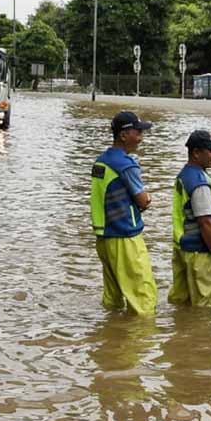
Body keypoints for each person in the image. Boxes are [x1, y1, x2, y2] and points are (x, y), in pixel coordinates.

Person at [90, 111, 158, 315]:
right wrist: (148, 199)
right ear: (123, 135)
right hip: (125, 237)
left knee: (113, 298)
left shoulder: (101, 161)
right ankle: (141, 342)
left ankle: (111, 337)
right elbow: (142, 200)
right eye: (137, 132)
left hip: (104, 238)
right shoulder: (126, 165)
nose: (140, 138)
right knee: (143, 296)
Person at [168, 130, 211, 307]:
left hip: (183, 248)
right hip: (200, 253)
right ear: (196, 153)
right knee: (204, 309)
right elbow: (205, 222)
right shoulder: (199, 183)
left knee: (181, 302)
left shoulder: (184, 175)